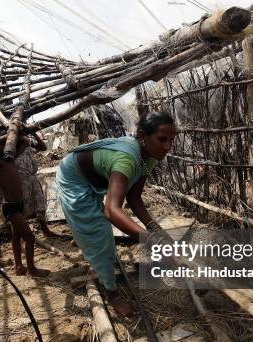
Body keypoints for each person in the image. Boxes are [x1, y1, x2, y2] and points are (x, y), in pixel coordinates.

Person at [56, 112, 176, 316]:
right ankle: (112, 294)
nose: (167, 146)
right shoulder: (128, 159)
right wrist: (150, 241)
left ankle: (90, 244)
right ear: (141, 136)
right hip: (73, 178)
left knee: (98, 231)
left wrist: (155, 229)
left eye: (171, 140)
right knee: (100, 232)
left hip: (93, 178)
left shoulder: (149, 157)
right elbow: (112, 210)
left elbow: (135, 197)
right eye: (162, 139)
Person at [0, 137, 50, 278]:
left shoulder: (10, 160)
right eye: (3, 146)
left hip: (18, 204)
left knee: (16, 235)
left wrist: (24, 140)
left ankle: (19, 266)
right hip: (10, 207)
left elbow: (24, 148)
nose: (7, 148)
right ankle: (32, 270)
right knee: (29, 237)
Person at [14, 132, 68, 239]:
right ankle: (21, 233)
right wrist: (23, 146)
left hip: (32, 177)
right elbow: (10, 159)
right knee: (23, 207)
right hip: (20, 179)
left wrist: (34, 134)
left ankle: (45, 230)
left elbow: (43, 147)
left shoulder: (27, 142)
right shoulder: (11, 145)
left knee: (40, 203)